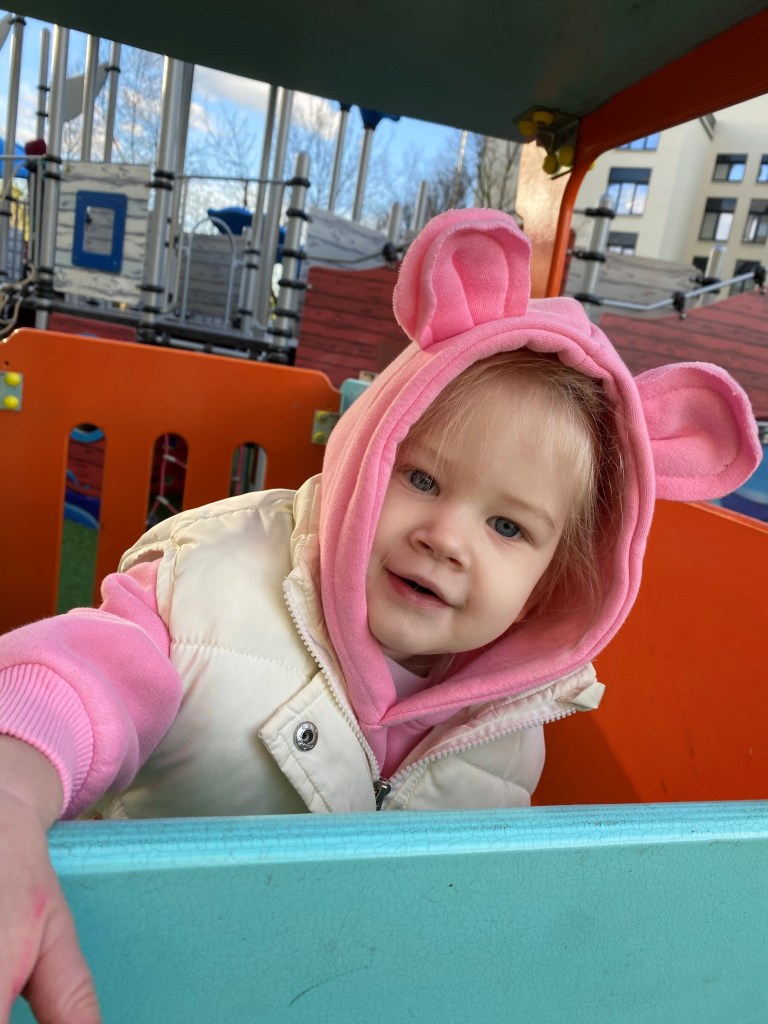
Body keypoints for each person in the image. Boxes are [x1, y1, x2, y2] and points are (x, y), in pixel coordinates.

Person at [0, 208, 760, 1023]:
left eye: (508, 528)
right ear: (366, 451)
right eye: (422, 479)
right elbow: (82, 677)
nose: (445, 538)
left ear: (550, 587)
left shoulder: (512, 731)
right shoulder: (208, 594)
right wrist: (13, 789)